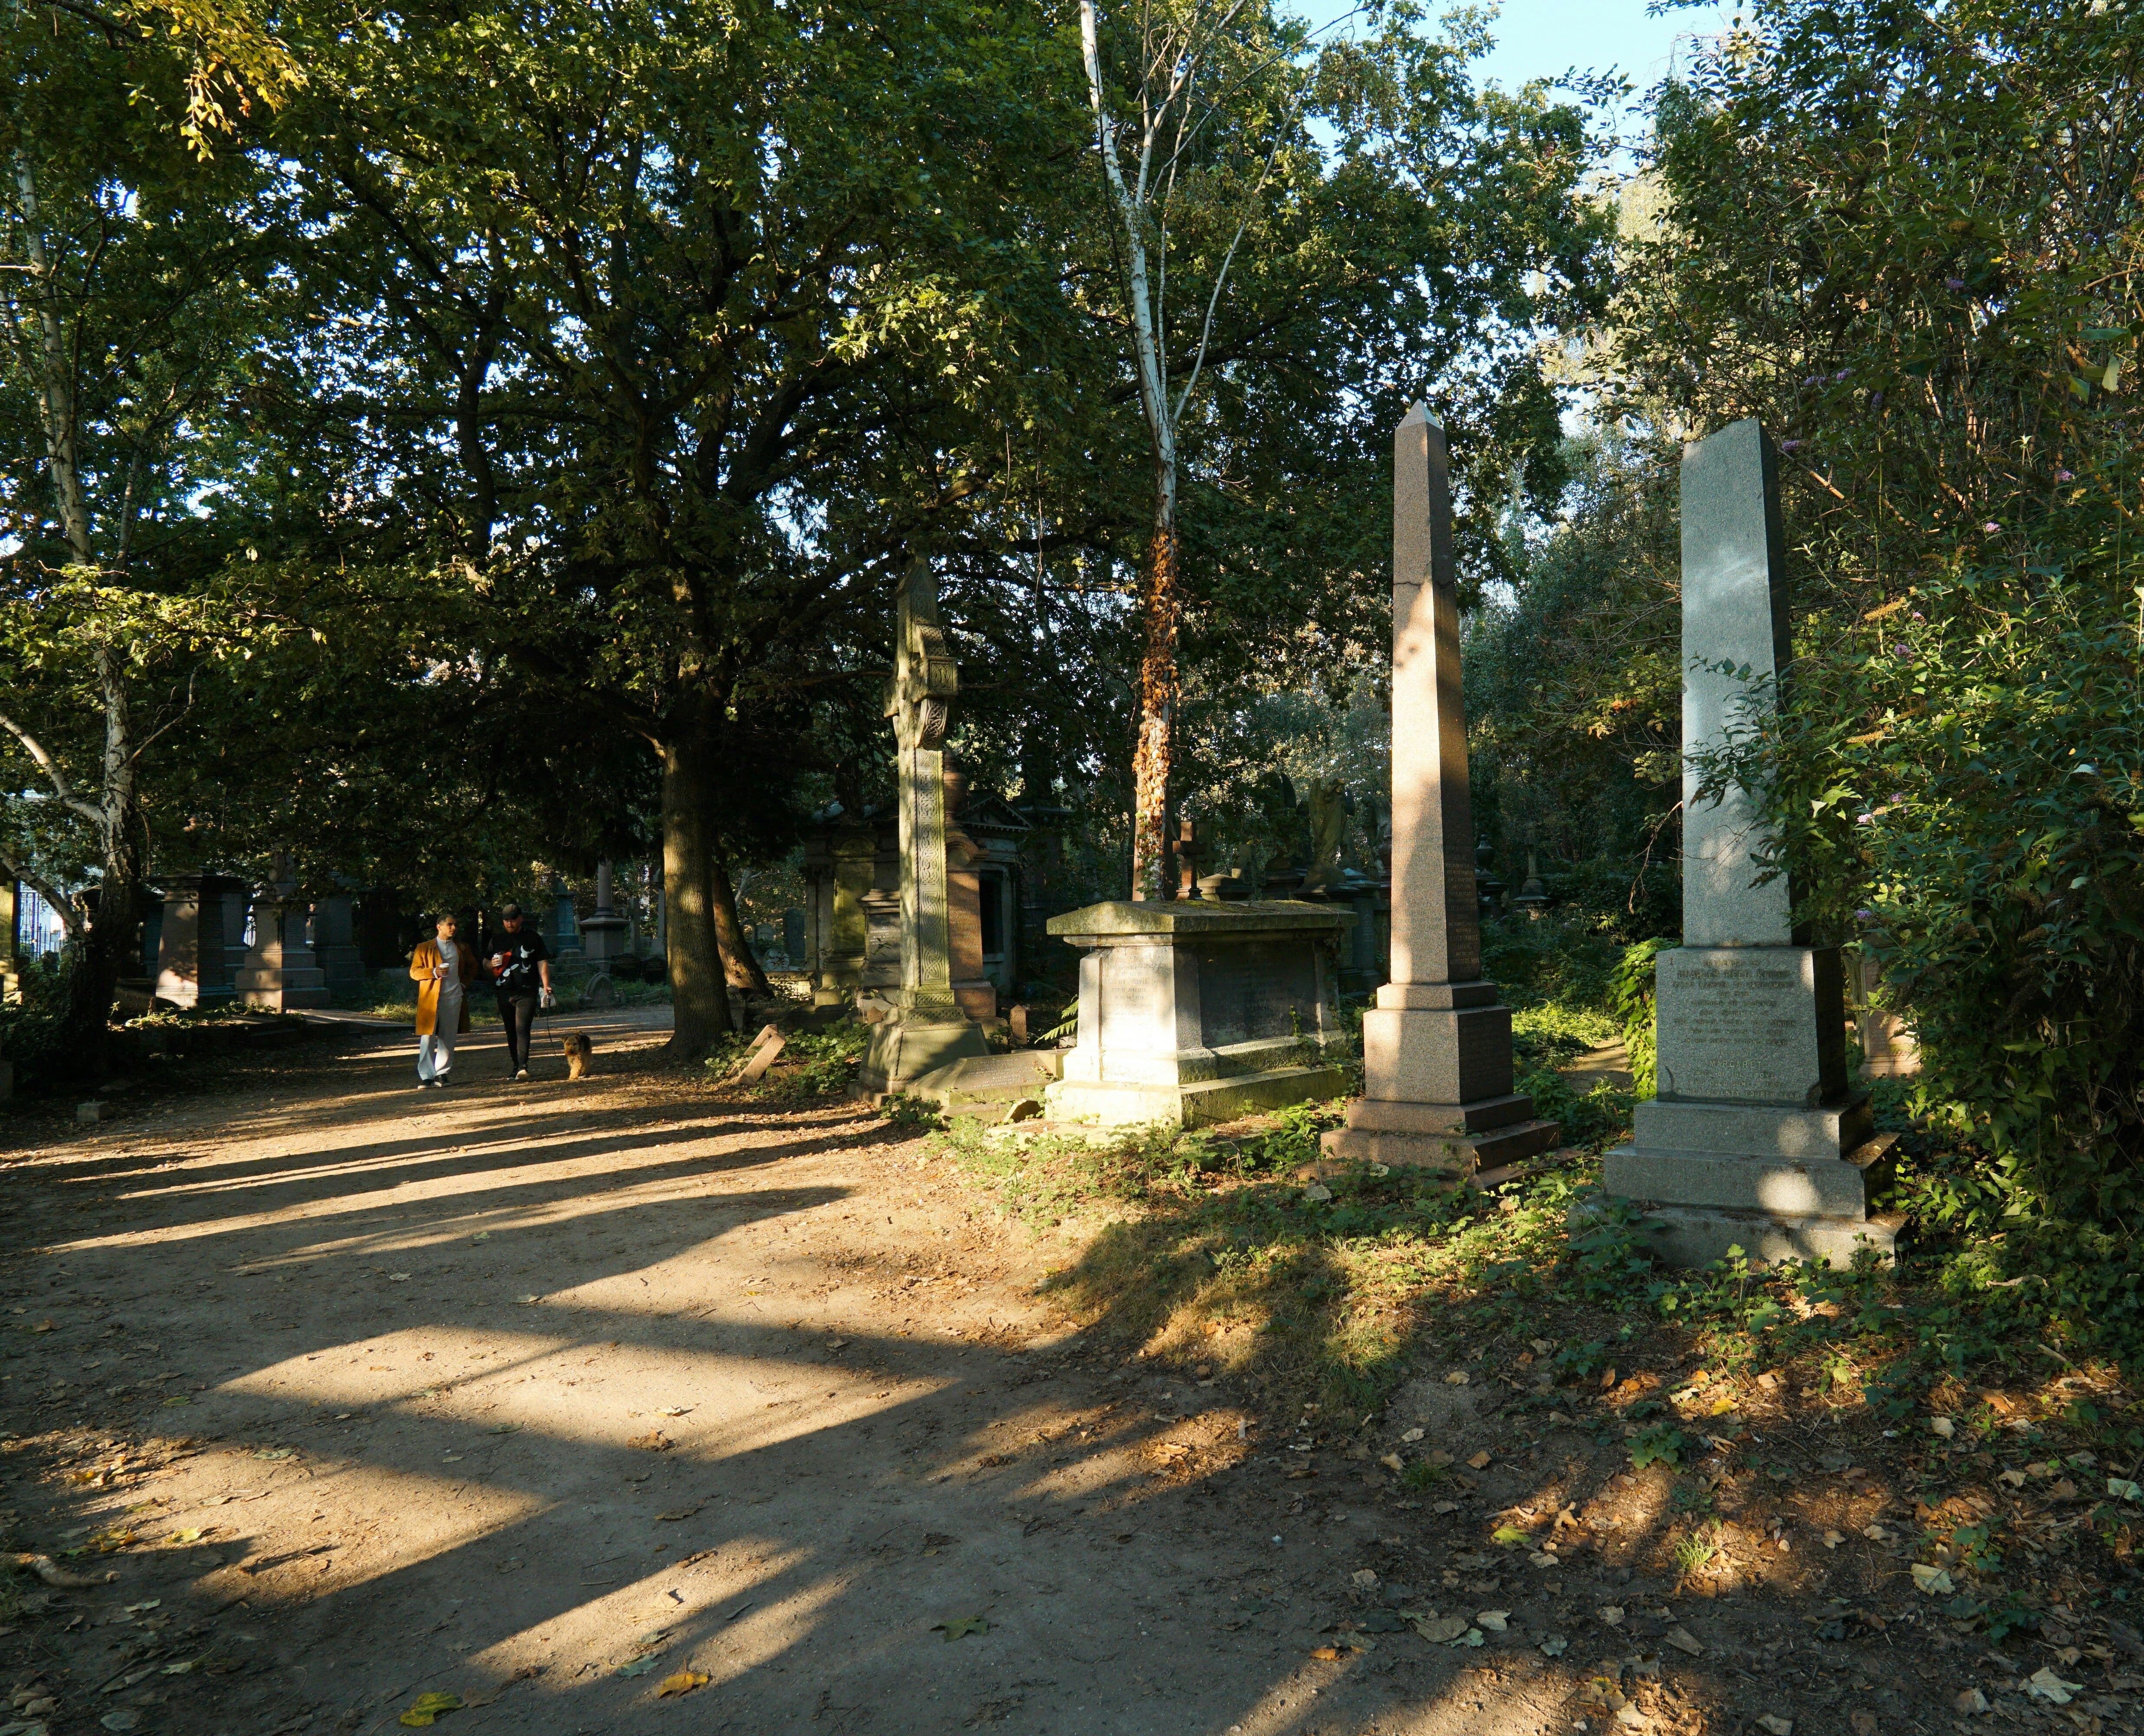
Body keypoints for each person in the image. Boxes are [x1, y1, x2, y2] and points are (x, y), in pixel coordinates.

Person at [407, 912, 482, 1088]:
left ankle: (442, 1073)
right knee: (427, 1036)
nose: (454, 928)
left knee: (448, 1037)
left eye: (455, 925)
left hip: (454, 997)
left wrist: (463, 985)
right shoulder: (424, 947)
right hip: (430, 998)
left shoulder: (462, 948)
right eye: (450, 924)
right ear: (439, 927)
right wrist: (433, 972)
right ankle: (426, 1076)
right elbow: (414, 972)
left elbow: (473, 966)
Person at [484, 902, 554, 1082]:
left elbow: (542, 962)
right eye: (506, 921)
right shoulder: (497, 940)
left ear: (521, 919)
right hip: (504, 991)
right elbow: (485, 962)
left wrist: (546, 985)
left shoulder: (533, 938)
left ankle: (523, 1067)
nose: (510, 924)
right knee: (510, 1030)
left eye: (513, 920)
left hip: (527, 991)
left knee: (522, 1028)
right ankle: (515, 1066)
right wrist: (491, 964)